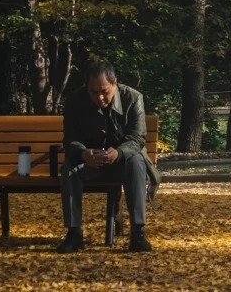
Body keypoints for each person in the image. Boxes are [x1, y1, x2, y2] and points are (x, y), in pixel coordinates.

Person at [57, 59, 158, 253]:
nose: (100, 98)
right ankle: (74, 233)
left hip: (123, 162)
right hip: (90, 163)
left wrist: (119, 152)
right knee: (70, 168)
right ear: (87, 88)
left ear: (115, 83)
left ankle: (138, 232)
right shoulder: (75, 100)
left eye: (104, 91)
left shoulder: (133, 98)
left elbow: (137, 138)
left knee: (137, 161)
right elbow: (70, 139)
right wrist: (83, 153)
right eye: (94, 92)